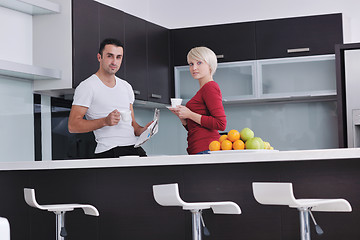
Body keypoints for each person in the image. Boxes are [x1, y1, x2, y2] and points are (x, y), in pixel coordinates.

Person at [68, 38, 152, 158]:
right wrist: (105, 121)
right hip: (109, 151)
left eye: (118, 57)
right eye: (110, 56)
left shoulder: (126, 86)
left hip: (134, 149)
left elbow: (132, 125)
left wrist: (145, 130)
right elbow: (73, 125)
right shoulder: (87, 86)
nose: (114, 62)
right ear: (99, 57)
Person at [170, 46, 226, 154]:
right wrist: (183, 118)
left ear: (210, 65)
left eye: (199, 63)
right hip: (199, 149)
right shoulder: (203, 89)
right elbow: (196, 128)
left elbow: (221, 123)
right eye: (191, 64)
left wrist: (190, 114)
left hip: (206, 149)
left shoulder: (210, 87)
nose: (194, 68)